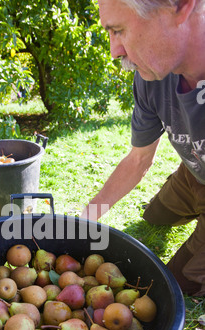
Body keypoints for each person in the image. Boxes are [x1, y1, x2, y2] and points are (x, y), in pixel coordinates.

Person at [81, 0, 205, 297]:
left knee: (173, 286)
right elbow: (139, 159)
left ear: (182, 7)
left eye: (119, 30)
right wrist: (86, 218)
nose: (114, 51)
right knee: (153, 216)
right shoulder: (152, 77)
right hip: (193, 172)